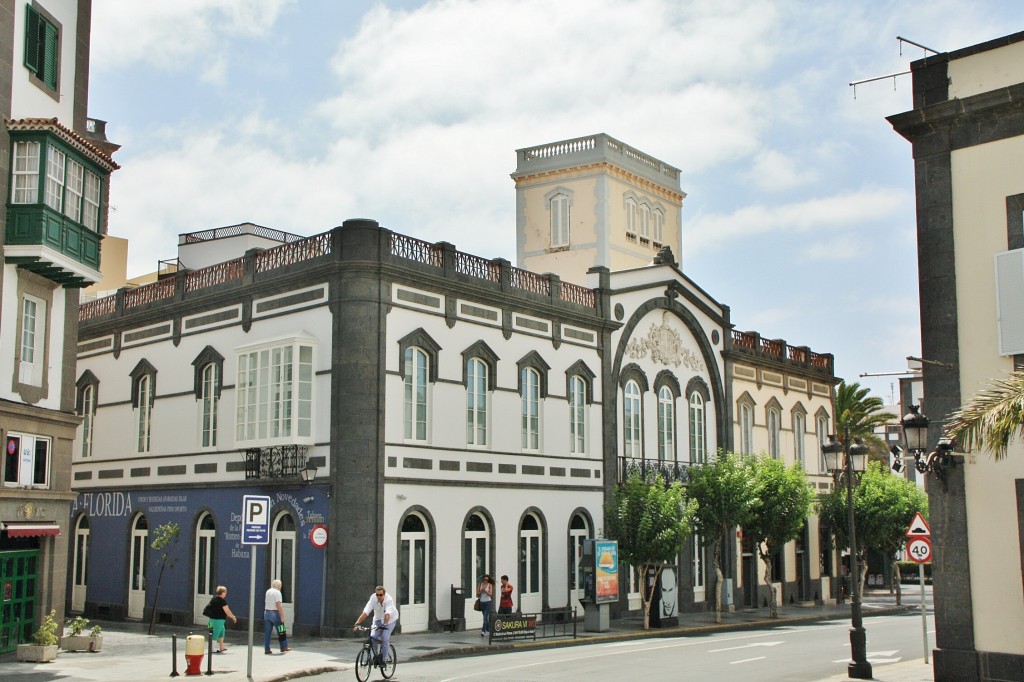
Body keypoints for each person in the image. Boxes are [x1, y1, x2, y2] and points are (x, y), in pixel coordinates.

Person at [354, 586, 399, 663]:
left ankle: (384, 658)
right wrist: (357, 623)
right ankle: (376, 656)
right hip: (377, 620)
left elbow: (387, 615)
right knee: (373, 637)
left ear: (384, 595)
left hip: (390, 620)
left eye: (381, 595)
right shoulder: (373, 598)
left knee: (384, 637)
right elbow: (366, 612)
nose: (378, 596)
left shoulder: (389, 600)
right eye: (377, 595)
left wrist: (384, 626)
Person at [263, 579, 291, 654]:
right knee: (281, 630)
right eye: (281, 585)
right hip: (275, 613)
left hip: (267, 612)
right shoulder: (277, 592)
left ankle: (267, 648)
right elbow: (278, 604)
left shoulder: (268, 591)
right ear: (279, 585)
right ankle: (284, 646)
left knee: (267, 632)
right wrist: (282, 615)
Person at [206, 586, 237, 653]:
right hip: (218, 620)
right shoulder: (222, 601)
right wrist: (233, 617)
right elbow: (227, 611)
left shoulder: (214, 599)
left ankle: (221, 647)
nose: (226, 593)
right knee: (216, 633)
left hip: (211, 620)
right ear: (222, 592)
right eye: (225, 592)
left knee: (222, 631)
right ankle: (212, 648)